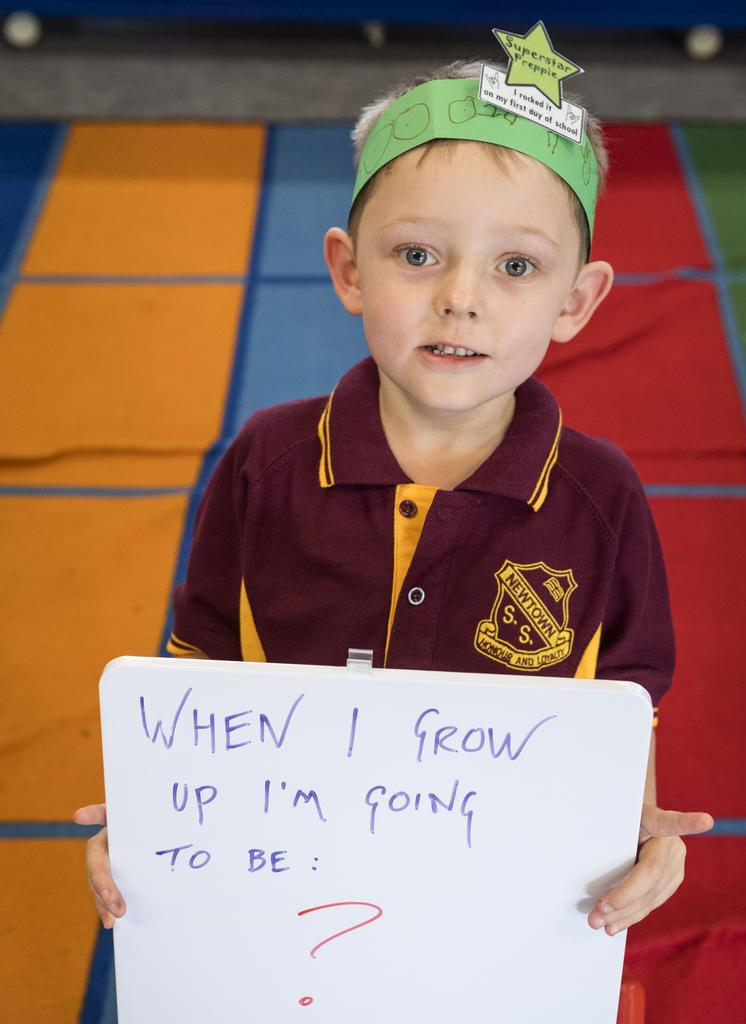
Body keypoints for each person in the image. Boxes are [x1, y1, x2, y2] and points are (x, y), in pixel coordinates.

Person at [75, 60, 713, 938]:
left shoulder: (601, 496)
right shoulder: (266, 460)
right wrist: (154, 820)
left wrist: (635, 822)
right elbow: (205, 661)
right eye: (417, 255)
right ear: (348, 272)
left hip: (494, 901)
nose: (460, 299)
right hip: (283, 878)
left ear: (576, 300)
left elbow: (624, 698)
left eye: (516, 265)